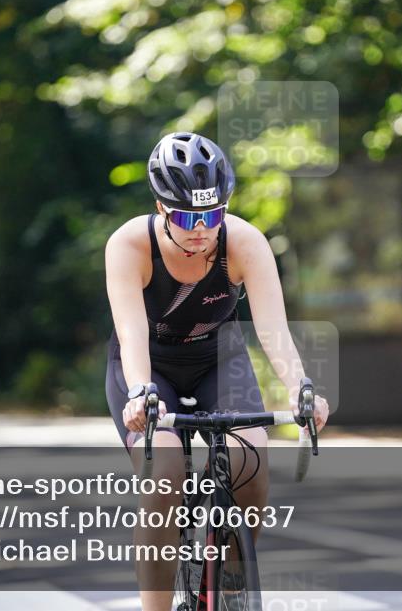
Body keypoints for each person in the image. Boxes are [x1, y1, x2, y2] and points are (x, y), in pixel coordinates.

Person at [104, 131, 329, 610]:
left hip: (217, 360)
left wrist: (300, 388)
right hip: (150, 364)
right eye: (187, 216)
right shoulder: (129, 245)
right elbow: (130, 332)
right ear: (161, 208)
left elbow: (273, 329)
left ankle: (228, 577)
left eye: (212, 214)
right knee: (163, 473)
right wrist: (142, 393)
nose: (201, 228)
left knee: (252, 457)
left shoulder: (245, 242)